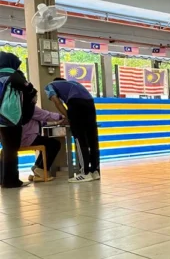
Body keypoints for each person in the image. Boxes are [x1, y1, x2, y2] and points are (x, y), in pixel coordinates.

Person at [44, 77, 100, 183]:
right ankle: (95, 171)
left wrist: (68, 117)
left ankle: (85, 173)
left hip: (76, 104)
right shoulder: (74, 83)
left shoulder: (49, 85)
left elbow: (57, 101)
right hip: (90, 104)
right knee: (92, 139)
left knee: (80, 139)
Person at [0, 51, 37, 189]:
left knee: (6, 147)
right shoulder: (13, 74)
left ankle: (4, 179)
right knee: (12, 149)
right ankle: (11, 181)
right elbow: (29, 88)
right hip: (10, 115)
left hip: (1, 117)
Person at [21, 96, 64, 182]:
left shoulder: (20, 105)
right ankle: (41, 170)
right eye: (35, 96)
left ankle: (37, 168)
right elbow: (45, 115)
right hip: (27, 138)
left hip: (20, 138)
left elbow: (39, 120)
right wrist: (62, 116)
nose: (36, 99)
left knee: (46, 144)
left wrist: (55, 122)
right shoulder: (29, 106)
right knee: (54, 144)